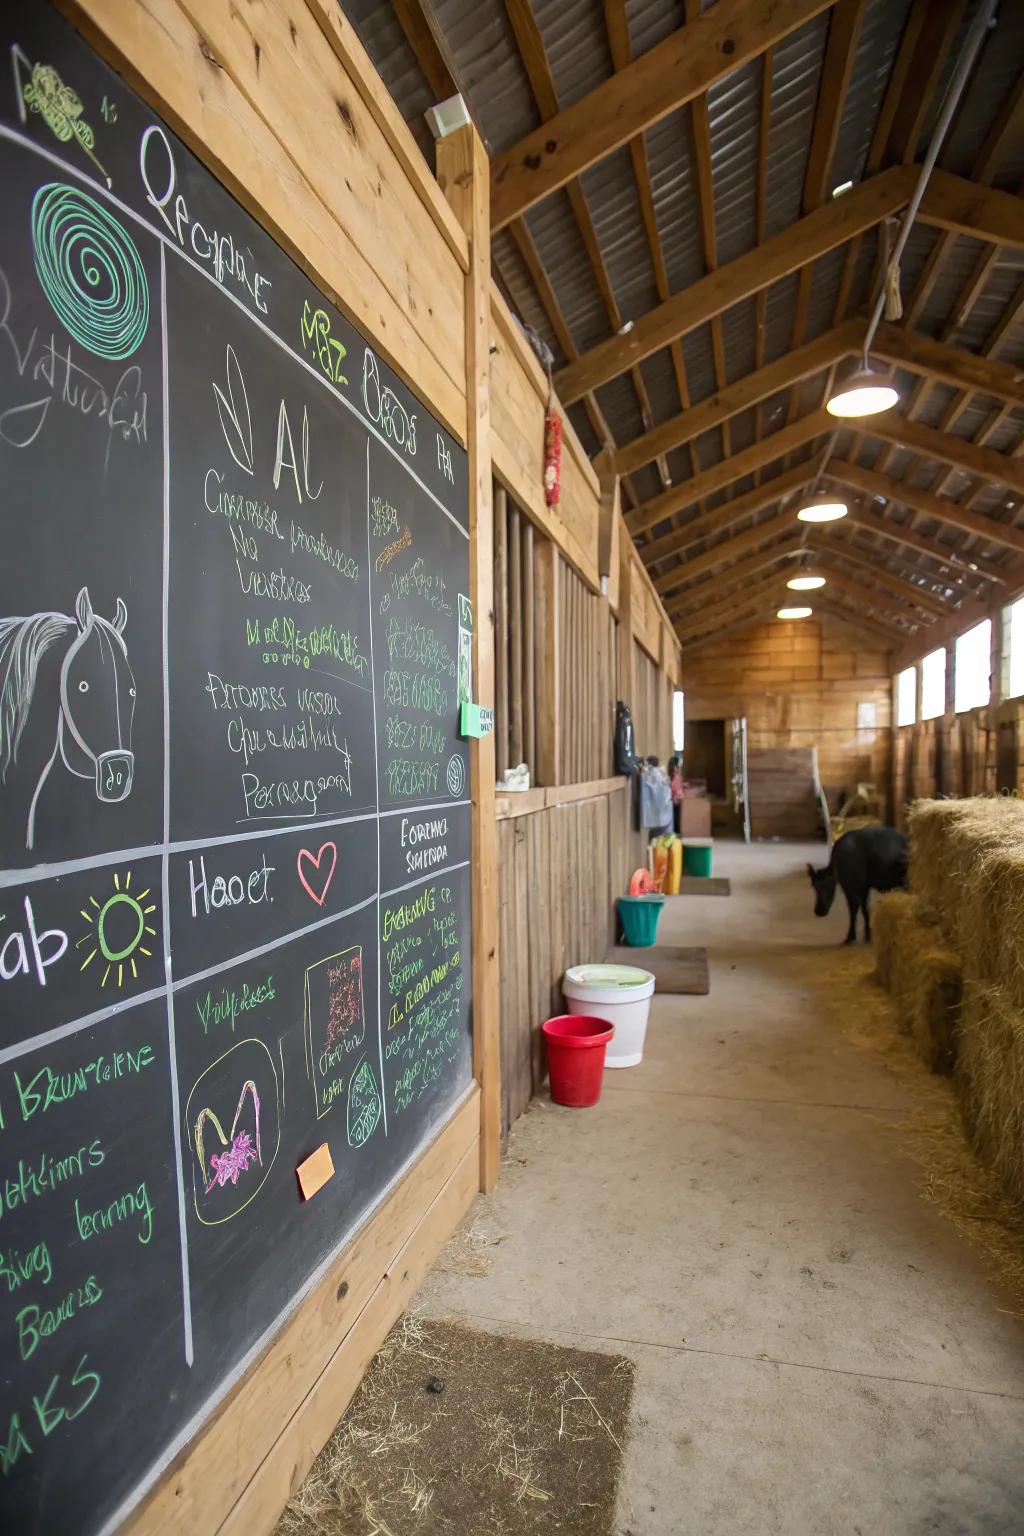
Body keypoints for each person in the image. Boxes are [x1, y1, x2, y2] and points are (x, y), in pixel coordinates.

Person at [667, 754, 683, 835]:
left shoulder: (673, 774)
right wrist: (677, 794)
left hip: (674, 799)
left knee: (675, 817)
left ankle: (675, 833)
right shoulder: (675, 774)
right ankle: (676, 834)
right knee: (676, 818)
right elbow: (674, 786)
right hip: (675, 799)